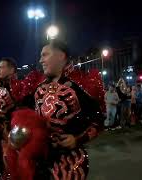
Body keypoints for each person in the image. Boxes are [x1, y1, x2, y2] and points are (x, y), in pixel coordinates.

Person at [15, 39, 105, 179]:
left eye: (45, 55)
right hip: (41, 160)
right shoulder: (38, 88)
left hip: (69, 163)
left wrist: (77, 139)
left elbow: (98, 120)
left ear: (61, 56)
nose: (40, 60)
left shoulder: (81, 86)